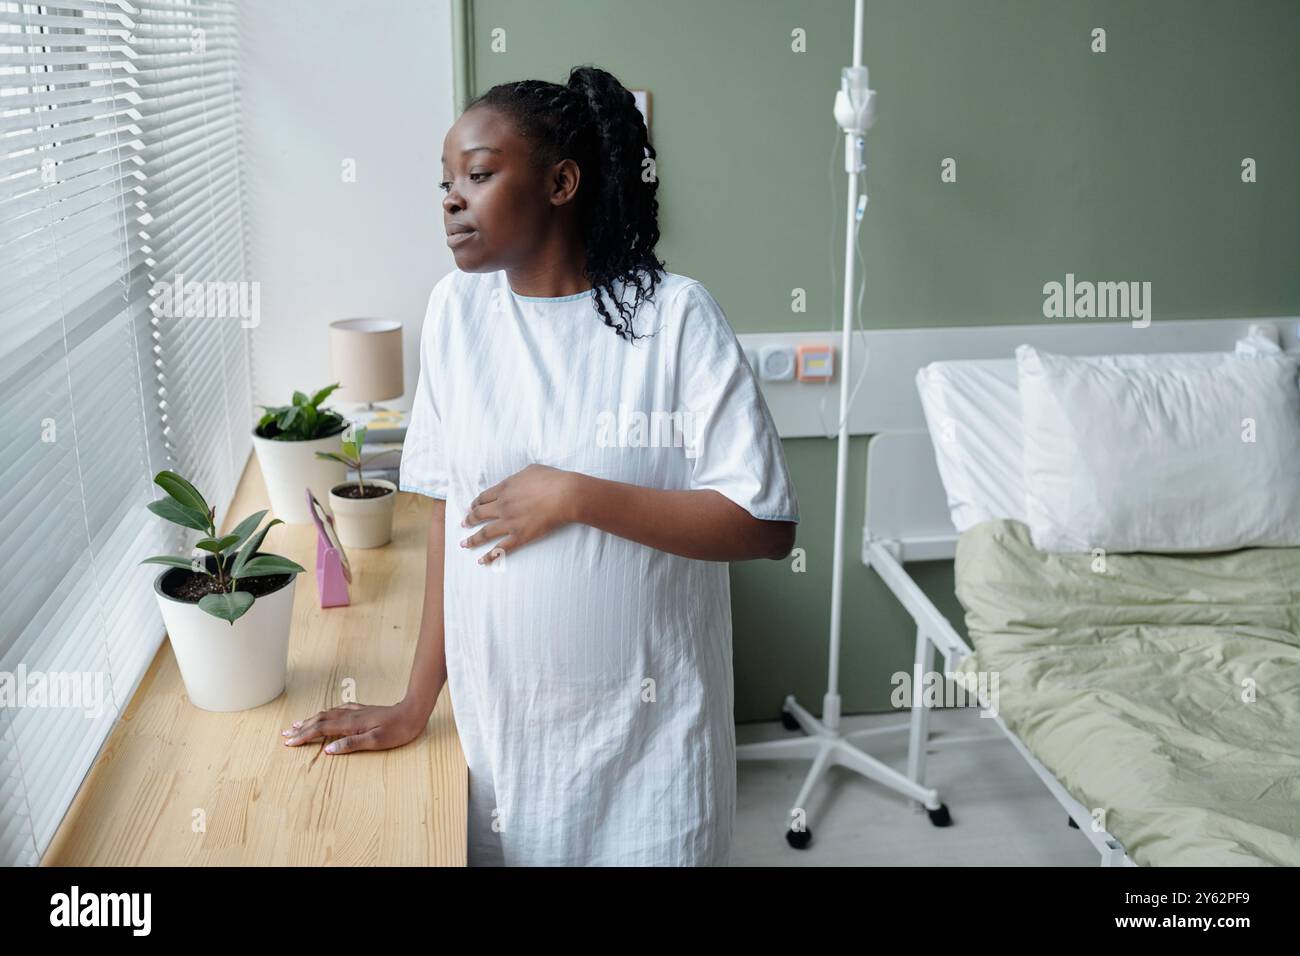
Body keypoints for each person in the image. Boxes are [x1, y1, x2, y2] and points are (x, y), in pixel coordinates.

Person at [282, 65, 799, 866]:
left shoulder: (676, 319)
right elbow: (450, 513)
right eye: (446, 181)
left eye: (479, 174)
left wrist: (574, 495)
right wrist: (420, 701)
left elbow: (764, 524)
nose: (452, 198)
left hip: (653, 762)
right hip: (509, 754)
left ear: (561, 182)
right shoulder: (457, 315)